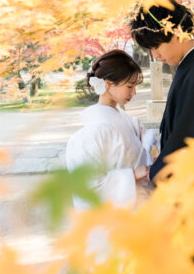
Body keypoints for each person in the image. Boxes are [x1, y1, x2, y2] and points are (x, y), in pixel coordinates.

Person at [131, 0, 194, 181]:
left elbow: (193, 137)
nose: (154, 55)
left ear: (177, 34)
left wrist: (157, 171)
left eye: (156, 46)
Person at [65, 50, 156, 208]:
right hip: (117, 216)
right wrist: (132, 175)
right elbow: (89, 186)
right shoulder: (94, 131)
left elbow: (147, 143)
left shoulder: (125, 119)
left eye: (135, 86)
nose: (134, 92)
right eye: (129, 86)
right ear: (108, 84)